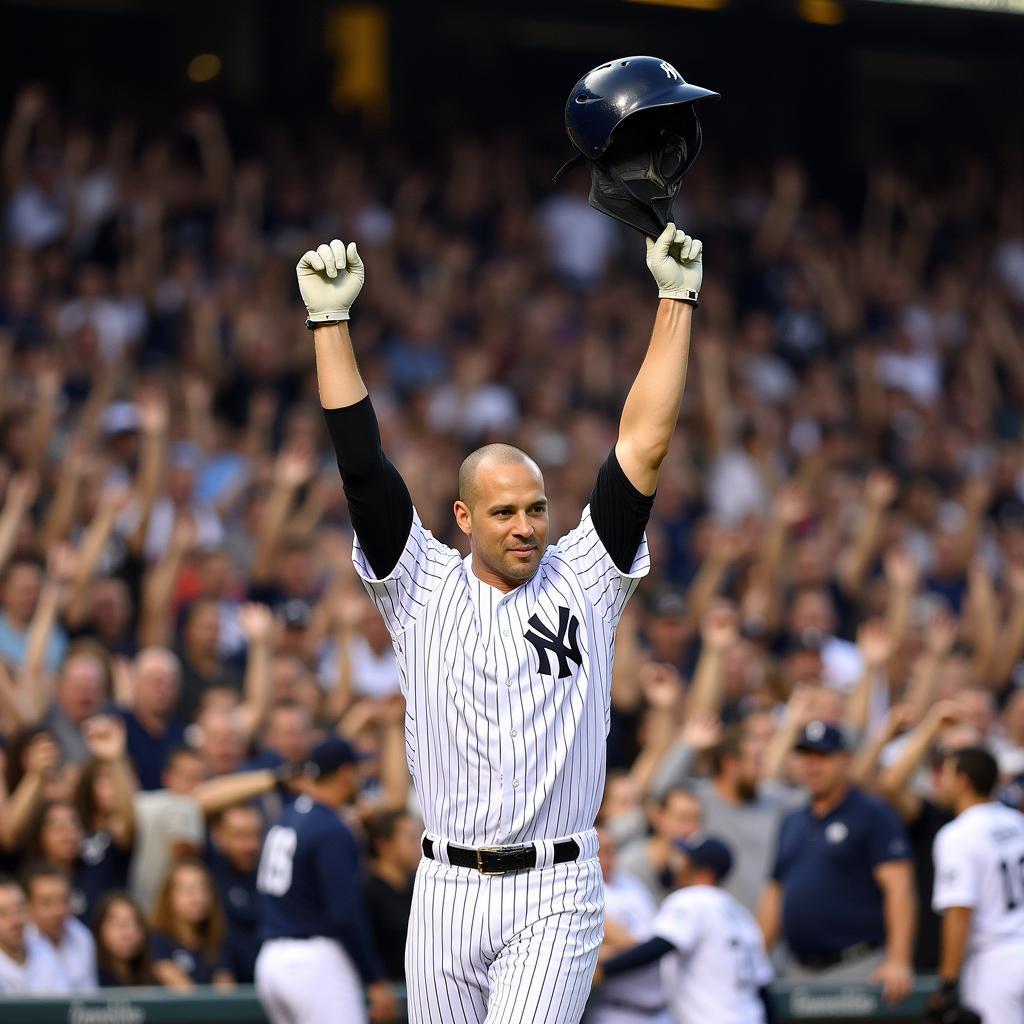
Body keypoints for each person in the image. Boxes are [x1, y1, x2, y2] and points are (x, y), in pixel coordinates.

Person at [298, 223, 703, 1022]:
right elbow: (362, 469)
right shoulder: (419, 583)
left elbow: (643, 447)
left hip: (556, 887)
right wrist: (330, 327)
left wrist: (676, 299)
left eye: (537, 509)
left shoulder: (587, 574)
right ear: (462, 516)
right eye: (505, 511)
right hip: (444, 889)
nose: (526, 525)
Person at [758, 721, 916, 1003]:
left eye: (823, 756)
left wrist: (898, 960)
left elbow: (899, 887)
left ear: (845, 760)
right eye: (806, 756)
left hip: (857, 967)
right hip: (798, 970)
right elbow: (775, 895)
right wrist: (754, 959)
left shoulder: (872, 814)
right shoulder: (792, 820)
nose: (813, 765)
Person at [255, 736, 395, 1023]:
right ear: (345, 773)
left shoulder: (287, 815)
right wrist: (374, 979)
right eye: (357, 771)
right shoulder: (331, 828)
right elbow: (344, 914)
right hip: (313, 963)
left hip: (271, 961)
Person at [595, 836, 773, 1024]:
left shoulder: (692, 899)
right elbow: (763, 986)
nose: (678, 865)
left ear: (705, 874)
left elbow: (658, 947)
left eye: (686, 861)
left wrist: (604, 970)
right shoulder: (740, 913)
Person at [929, 746, 1024, 1024]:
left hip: (994, 963)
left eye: (945, 774)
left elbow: (959, 912)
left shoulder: (957, 834)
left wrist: (947, 983)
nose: (940, 782)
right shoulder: (1017, 821)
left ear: (963, 781)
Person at [586, 826, 670, 1024]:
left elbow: (653, 937)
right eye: (601, 850)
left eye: (611, 850)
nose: (608, 857)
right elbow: (631, 943)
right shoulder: (583, 890)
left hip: (660, 1009)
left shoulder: (630, 882)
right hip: (617, 1009)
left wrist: (610, 951)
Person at [128, 746, 205, 914]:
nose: (199, 786)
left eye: (203, 779)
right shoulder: (185, 807)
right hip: (162, 913)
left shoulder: (142, 802)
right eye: (190, 778)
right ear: (168, 778)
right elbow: (182, 851)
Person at [149, 857, 234, 989]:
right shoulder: (156, 940)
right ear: (169, 896)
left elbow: (226, 994)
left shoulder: (217, 940)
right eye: (188, 889)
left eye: (203, 888)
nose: (198, 897)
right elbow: (189, 998)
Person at [616, 785, 704, 903]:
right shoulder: (630, 862)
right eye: (683, 818)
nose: (691, 828)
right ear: (659, 817)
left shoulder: (699, 868)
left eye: (696, 819)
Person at [362, 808, 420, 984]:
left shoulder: (417, 885)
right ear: (384, 846)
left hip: (416, 985)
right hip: (384, 991)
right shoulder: (367, 891)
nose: (418, 846)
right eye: (411, 839)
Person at [207, 803, 263, 984]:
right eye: (239, 836)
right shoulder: (208, 867)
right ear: (217, 835)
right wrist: (274, 780)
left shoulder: (269, 874)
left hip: (269, 985)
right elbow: (198, 802)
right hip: (221, 988)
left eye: (255, 835)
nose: (250, 845)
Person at [23, 861, 97, 991]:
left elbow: (89, 996)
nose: (58, 911)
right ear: (28, 906)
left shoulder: (82, 936)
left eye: (64, 900)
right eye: (47, 903)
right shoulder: (18, 941)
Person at [0, 874, 66, 993]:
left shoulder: (43, 949)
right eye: (3, 914)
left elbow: (62, 1003)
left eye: (19, 909)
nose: (16, 921)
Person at [91, 891, 152, 986]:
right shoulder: (90, 977)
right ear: (100, 928)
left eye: (136, 924)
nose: (129, 933)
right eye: (121, 925)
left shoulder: (152, 975)